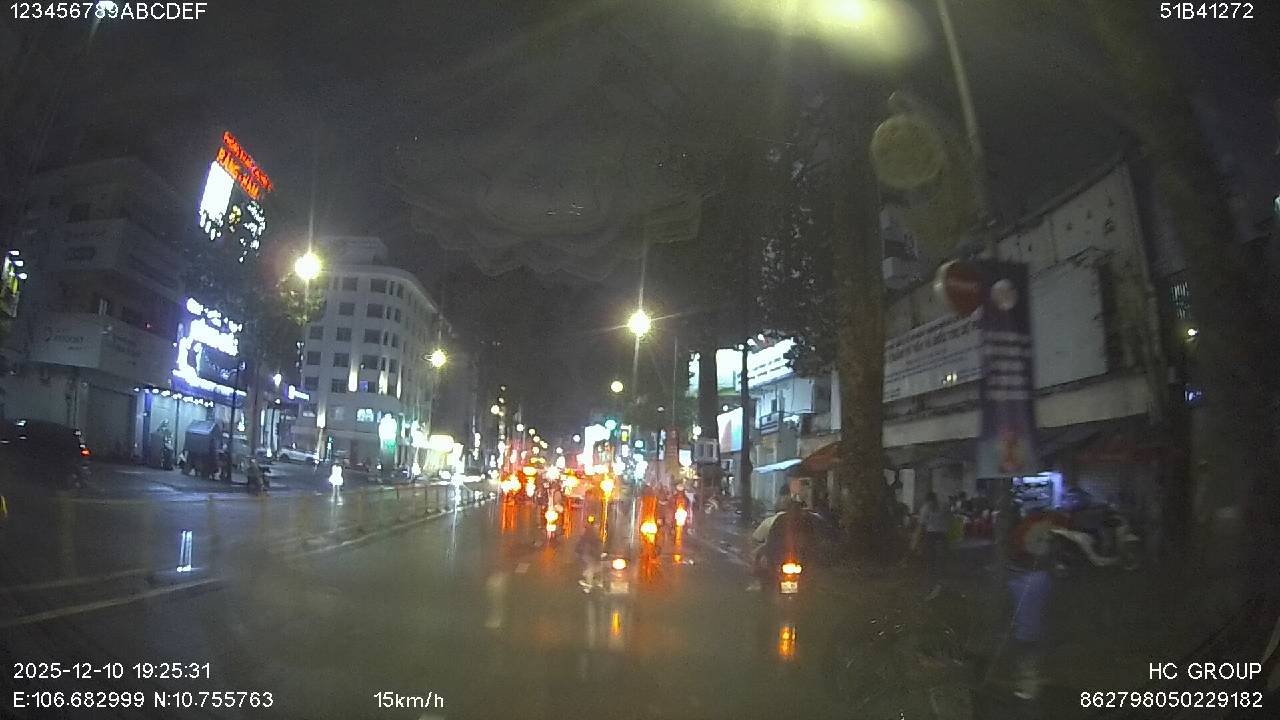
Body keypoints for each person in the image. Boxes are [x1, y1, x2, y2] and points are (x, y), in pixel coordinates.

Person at [919, 491, 949, 600]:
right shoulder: (944, 505)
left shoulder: (925, 508)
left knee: (931, 560)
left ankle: (931, 585)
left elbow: (921, 525)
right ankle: (939, 583)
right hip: (942, 535)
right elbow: (949, 518)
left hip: (931, 535)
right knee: (941, 559)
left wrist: (918, 539)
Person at [576, 515, 604, 592]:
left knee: (594, 567)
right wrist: (599, 553)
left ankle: (593, 582)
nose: (598, 527)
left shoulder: (590, 533)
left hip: (587, 554)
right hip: (588, 554)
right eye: (597, 525)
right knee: (591, 567)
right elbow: (593, 545)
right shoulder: (592, 534)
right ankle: (590, 583)